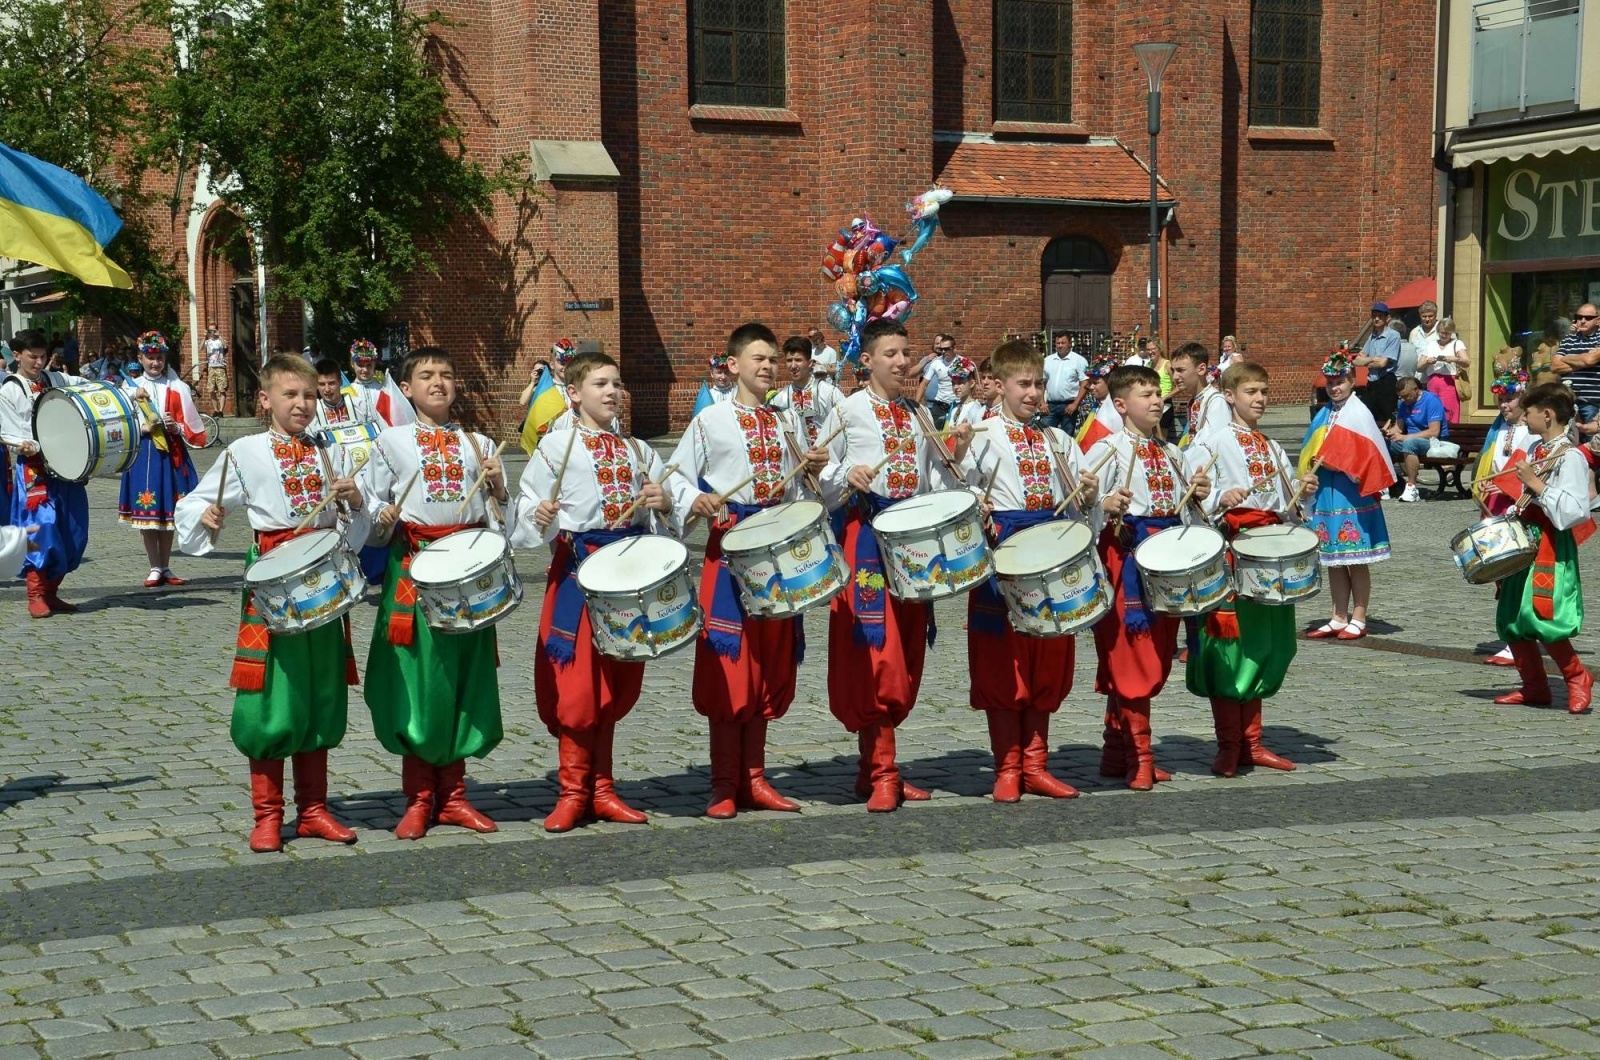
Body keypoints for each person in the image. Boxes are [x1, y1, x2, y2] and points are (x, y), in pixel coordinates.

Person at [174, 353, 367, 852]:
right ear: (265, 399)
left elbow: (357, 531)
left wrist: (355, 503)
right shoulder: (245, 453)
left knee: (321, 691)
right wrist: (207, 517)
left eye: (308, 394)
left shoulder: (332, 451)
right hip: (273, 583)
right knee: (271, 695)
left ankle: (315, 810)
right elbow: (195, 503)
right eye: (290, 394)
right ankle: (267, 814)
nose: (302, 403)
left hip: (324, 581)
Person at [510, 350, 678, 832]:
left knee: (616, 682)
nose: (611, 392)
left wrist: (661, 502)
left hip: (626, 578)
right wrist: (537, 516)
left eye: (616, 383)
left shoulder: (639, 450)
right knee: (578, 686)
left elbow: (662, 516)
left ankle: (603, 789)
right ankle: (572, 791)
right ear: (577, 392)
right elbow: (524, 512)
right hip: (578, 574)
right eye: (600, 383)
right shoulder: (555, 448)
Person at [667, 324, 828, 819]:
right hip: (730, 551)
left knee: (770, 660)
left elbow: (800, 493)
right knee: (729, 660)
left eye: (773, 360)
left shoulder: (787, 421)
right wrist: (695, 497)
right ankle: (722, 782)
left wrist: (814, 474)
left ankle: (755, 778)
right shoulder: (709, 421)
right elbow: (672, 474)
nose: (767, 367)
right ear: (733, 364)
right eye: (757, 358)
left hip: (777, 551)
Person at [819, 318, 974, 810]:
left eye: (906, 353)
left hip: (913, 543)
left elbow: (936, 480)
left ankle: (873, 767)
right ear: (866, 360)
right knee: (876, 652)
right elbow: (817, 471)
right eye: (891, 353)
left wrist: (960, 454)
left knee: (907, 649)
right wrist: (849, 471)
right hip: (865, 538)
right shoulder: (846, 410)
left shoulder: (918, 412)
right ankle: (884, 771)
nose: (903, 362)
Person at [358, 347, 508, 839]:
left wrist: (499, 489)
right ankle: (420, 798)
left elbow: (498, 519)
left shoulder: (478, 441)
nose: (438, 383)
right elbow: (371, 504)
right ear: (406, 387)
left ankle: (456, 796)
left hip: (467, 570)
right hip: (414, 571)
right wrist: (379, 517)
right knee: (421, 678)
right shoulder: (390, 442)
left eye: (446, 374)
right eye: (426, 375)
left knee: (466, 677)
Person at [966, 340, 1098, 801]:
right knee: (1005, 662)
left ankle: (1036, 763)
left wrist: (1089, 493)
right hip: (1005, 556)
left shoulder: (1057, 439)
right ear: (998, 386)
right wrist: (974, 505)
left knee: (1047, 657)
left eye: (1039, 384)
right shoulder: (979, 435)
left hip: (1051, 554)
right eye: (1024, 384)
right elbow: (952, 489)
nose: (1034, 393)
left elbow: (1083, 507)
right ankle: (1006, 766)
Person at [1085, 365, 1211, 789]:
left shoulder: (1174, 454)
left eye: (1158, 393)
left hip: (1167, 564)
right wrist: (1105, 502)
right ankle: (1140, 756)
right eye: (1145, 394)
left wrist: (1199, 494)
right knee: (1131, 655)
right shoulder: (1106, 450)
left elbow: (1185, 513)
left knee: (1156, 653)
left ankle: (1113, 749)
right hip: (1126, 562)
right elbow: (1081, 510)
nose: (1157, 400)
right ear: (1120, 405)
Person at [1184, 363, 1313, 776]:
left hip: (1270, 554)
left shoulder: (1273, 447)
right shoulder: (1212, 441)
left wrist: (1301, 494)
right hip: (1233, 553)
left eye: (1263, 391)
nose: (1259, 399)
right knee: (1231, 648)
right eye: (1251, 391)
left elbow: (1288, 508)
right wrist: (1222, 496)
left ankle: (1252, 743)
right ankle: (1228, 744)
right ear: (1229, 396)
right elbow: (1190, 496)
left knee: (1265, 645)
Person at [1485, 382, 1594, 714]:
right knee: (1512, 615)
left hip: (1550, 543)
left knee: (1542, 615)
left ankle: (1578, 677)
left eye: (1528, 412)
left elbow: (1576, 511)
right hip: (1525, 539)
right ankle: (1534, 687)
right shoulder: (1536, 450)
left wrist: (1535, 484)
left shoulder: (1571, 456)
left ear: (1546, 415)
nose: (1523, 416)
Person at [1301, 350, 1394, 642]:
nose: (1335, 387)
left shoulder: (1358, 413)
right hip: (1326, 494)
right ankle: (1338, 614)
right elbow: (1311, 447)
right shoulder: (1325, 413)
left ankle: (1359, 615)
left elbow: (1367, 459)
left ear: (1353, 380)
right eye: (1330, 383)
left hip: (1352, 495)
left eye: (1340, 381)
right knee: (1334, 559)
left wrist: (1338, 463)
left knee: (1355, 559)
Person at [0, 329, 90, 618]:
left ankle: (52, 592)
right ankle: (36, 594)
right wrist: (22, 443)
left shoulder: (56, 379)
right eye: (33, 357)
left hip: (67, 465)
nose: (39, 363)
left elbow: (87, 387)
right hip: (35, 469)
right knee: (43, 527)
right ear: (16, 356)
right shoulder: (9, 390)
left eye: (43, 357)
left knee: (73, 530)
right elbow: (7, 430)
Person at [120, 331, 207, 587]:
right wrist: (141, 428)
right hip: (144, 453)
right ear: (140, 358)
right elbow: (121, 421)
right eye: (150, 358)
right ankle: (154, 566)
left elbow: (192, 424)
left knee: (168, 513)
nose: (155, 363)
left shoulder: (178, 387)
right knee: (147, 511)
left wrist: (176, 427)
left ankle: (165, 566)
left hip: (171, 452)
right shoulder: (130, 389)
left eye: (158, 358)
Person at [1478, 373, 1532, 667]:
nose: (1504, 406)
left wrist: (1508, 485)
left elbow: (1535, 469)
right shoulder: (1499, 431)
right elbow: (1493, 466)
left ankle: (1520, 639)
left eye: (1509, 399)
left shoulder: (1532, 433)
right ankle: (1513, 637)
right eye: (1500, 400)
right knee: (1503, 575)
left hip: (1522, 508)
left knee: (1518, 574)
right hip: (1498, 508)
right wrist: (1487, 484)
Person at [1384, 375, 1447, 502]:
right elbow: (1399, 428)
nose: (1404, 399)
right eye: (1401, 396)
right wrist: (1388, 432)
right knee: (1383, 444)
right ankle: (1386, 483)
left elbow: (1434, 432)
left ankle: (1412, 488)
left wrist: (1405, 437)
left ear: (1416, 390)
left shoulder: (1431, 401)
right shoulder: (1403, 404)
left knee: (1409, 443)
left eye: (1407, 395)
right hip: (1411, 440)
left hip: (1433, 442)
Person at [771, 334, 841, 446]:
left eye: (798, 360)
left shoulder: (829, 393)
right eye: (789, 360)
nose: (793, 366)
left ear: (810, 363)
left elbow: (846, 424)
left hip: (827, 458)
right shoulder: (780, 399)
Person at [1552, 303, 1600, 437]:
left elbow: (1589, 360)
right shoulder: (1569, 339)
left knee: (1593, 446)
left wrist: (1566, 357)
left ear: (1598, 320)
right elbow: (1555, 366)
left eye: (1588, 318)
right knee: (1568, 444)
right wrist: (1584, 359)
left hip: (1592, 403)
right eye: (1579, 317)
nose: (1583, 320)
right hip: (1567, 403)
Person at [1354, 303, 1401, 425]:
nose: (1376, 319)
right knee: (1368, 417)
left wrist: (1368, 360)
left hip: (1386, 382)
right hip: (1372, 382)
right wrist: (1373, 359)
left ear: (1387, 318)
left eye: (1380, 316)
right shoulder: (1372, 336)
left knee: (1386, 419)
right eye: (1374, 316)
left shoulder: (1393, 336)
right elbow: (1358, 359)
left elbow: (1382, 363)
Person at [1170, 342, 1225, 447]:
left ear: (1201, 369)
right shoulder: (1195, 399)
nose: (1175, 377)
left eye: (1180, 370)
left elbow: (1214, 445)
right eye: (1173, 371)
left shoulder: (1216, 402)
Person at [1418, 316, 1468, 423]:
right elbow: (1419, 367)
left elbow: (1467, 361)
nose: (1444, 335)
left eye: (1447, 333)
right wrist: (1427, 362)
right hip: (1432, 382)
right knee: (1433, 412)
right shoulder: (1431, 345)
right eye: (1441, 332)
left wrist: (1454, 359)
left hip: (1449, 382)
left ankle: (1450, 435)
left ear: (1451, 332)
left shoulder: (1457, 343)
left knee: (1449, 412)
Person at [1043, 333, 1089, 435]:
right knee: (1046, 435)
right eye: (1058, 343)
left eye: (1063, 343)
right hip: (1050, 406)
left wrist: (1075, 404)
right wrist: (1041, 402)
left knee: (1067, 437)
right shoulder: (1048, 360)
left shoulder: (1079, 361)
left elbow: (1085, 383)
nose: (1060, 345)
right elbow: (1041, 382)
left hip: (1069, 406)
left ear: (1069, 344)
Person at [312, 358, 367, 429]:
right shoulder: (313, 414)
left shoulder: (360, 405)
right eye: (322, 384)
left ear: (340, 382)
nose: (327, 389)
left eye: (331, 383)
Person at [916, 333, 956, 427]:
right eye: (942, 349)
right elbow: (924, 383)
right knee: (934, 437)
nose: (943, 351)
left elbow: (971, 383)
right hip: (939, 406)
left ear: (954, 348)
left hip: (955, 405)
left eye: (946, 349)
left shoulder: (962, 362)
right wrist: (916, 405)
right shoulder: (936, 362)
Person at [947, 357, 983, 428]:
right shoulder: (954, 409)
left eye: (960, 382)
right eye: (953, 383)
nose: (956, 387)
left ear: (972, 383)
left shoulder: (975, 409)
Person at [203, 325, 229, 416]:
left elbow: (225, 346)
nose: (212, 332)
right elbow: (201, 348)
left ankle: (221, 411)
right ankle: (216, 410)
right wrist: (204, 336)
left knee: (222, 389)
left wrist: (220, 335)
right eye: (210, 330)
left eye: (214, 330)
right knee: (211, 390)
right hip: (211, 367)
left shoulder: (220, 341)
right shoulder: (208, 341)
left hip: (220, 367)